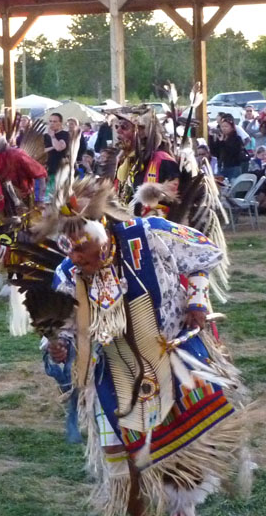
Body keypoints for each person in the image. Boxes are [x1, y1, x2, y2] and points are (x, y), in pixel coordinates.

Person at [34, 178, 249, 516]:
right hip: (114, 377)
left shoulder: (150, 235)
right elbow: (63, 325)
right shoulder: (67, 274)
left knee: (182, 467)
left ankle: (181, 509)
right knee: (129, 474)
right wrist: (57, 345)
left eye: (80, 249)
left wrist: (196, 301)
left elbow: (201, 255)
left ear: (102, 237)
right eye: (68, 250)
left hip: (173, 357)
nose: (75, 258)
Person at [210, 116, 247, 181]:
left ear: (232, 128)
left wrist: (223, 142)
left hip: (233, 167)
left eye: (226, 126)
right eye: (222, 126)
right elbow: (214, 152)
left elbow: (233, 152)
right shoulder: (220, 138)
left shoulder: (237, 139)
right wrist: (211, 137)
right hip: (221, 167)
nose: (224, 128)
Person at [43, 112, 69, 191]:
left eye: (55, 121)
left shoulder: (65, 134)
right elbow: (41, 150)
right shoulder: (45, 136)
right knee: (46, 195)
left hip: (59, 167)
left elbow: (59, 148)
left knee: (57, 193)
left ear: (60, 123)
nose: (52, 124)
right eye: (50, 121)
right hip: (47, 168)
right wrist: (52, 147)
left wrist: (52, 136)